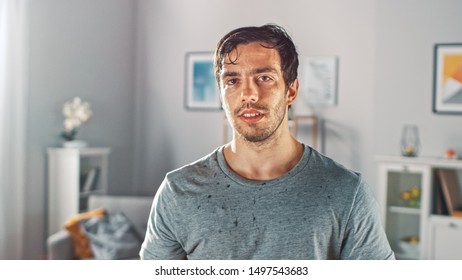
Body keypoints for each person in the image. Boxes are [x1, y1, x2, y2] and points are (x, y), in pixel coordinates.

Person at [140, 24, 395, 260]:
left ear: (291, 91)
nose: (248, 94)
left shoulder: (348, 193)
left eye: (264, 78)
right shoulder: (178, 191)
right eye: (232, 81)